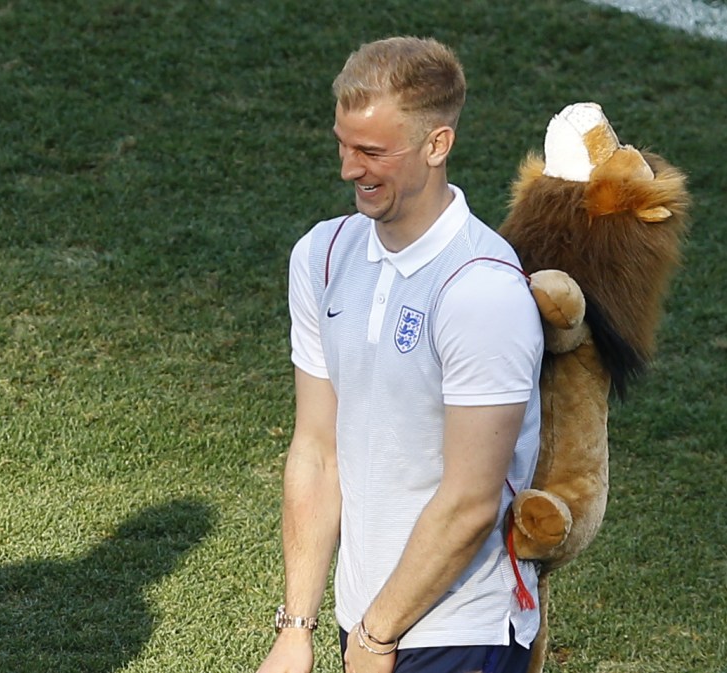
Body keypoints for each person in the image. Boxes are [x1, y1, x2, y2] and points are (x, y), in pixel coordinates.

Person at [258, 36, 544, 673]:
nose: (348, 170)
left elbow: (470, 501)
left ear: (436, 145)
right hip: (360, 624)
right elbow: (317, 448)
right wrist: (298, 625)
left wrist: (377, 633)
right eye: (342, 144)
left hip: (464, 628)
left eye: (371, 152)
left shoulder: (480, 292)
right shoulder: (322, 257)